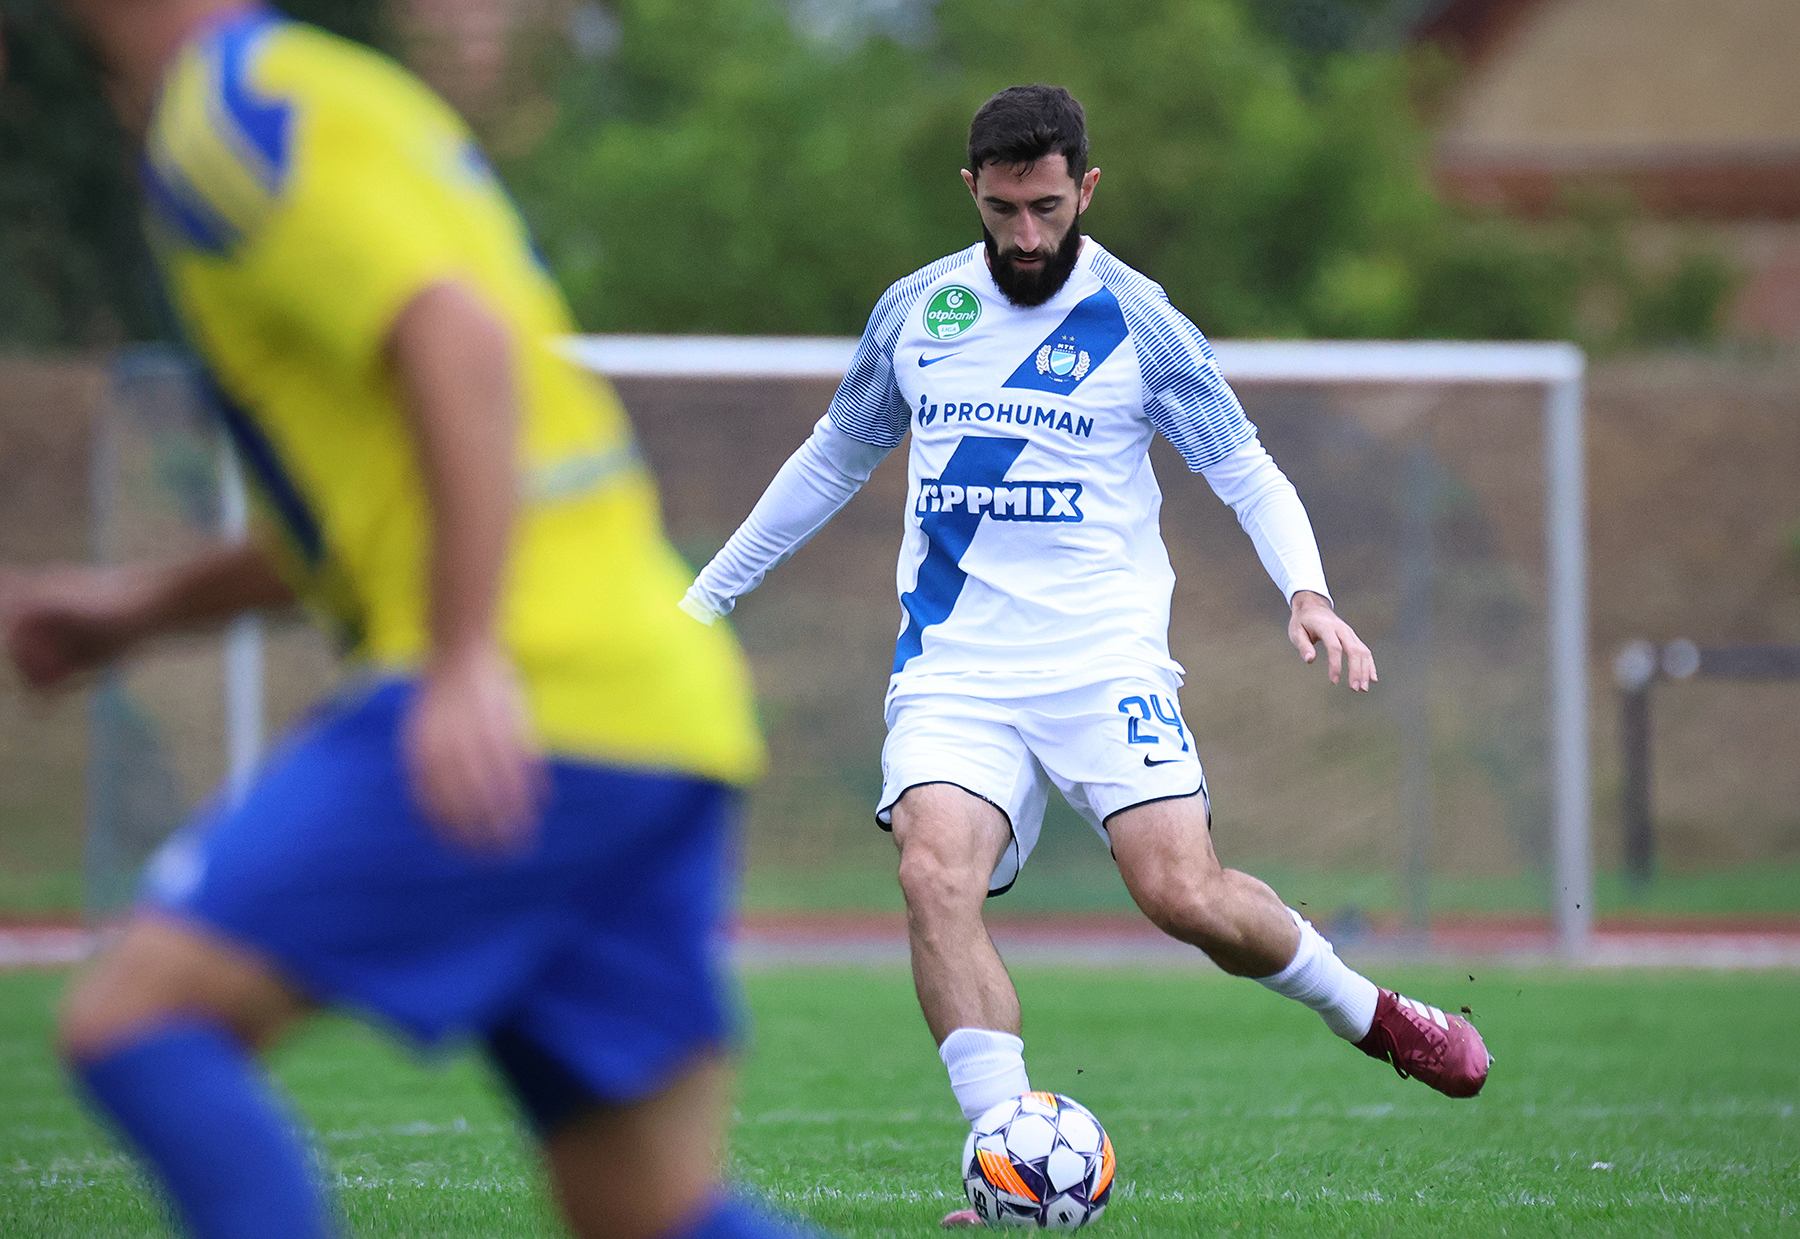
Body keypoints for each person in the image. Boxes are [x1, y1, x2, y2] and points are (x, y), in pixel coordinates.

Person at [1, 5, 807, 1238]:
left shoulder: (225, 113)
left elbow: (458, 341)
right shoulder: (340, 94)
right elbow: (378, 493)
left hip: (535, 693)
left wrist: (462, 656)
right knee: (644, 1209)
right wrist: (136, 610)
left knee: (138, 1021)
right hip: (653, 704)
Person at [682, 84, 1491, 1223]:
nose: (1025, 236)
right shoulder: (917, 312)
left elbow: (1242, 465)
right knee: (932, 874)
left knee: (1183, 895)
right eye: (1005, 209)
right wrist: (704, 601)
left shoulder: (1140, 320)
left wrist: (1306, 589)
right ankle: (1006, 1156)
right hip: (954, 665)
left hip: (1101, 661)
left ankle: (1372, 1012)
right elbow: (830, 460)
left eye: (1048, 209)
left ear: (1086, 190)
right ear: (972, 189)